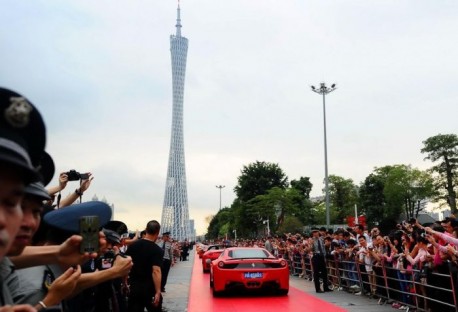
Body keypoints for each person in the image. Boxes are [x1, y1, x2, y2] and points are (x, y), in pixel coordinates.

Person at [125, 221, 163, 312]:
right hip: (150, 288)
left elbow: (126, 266)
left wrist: (125, 281)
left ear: (146, 230)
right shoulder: (157, 250)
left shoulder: (132, 246)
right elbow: (156, 271)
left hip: (134, 287)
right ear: (158, 232)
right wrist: (158, 291)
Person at [310, 228, 332, 293]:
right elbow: (310, 249)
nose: (315, 233)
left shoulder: (321, 239)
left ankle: (326, 287)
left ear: (318, 232)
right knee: (316, 273)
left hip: (322, 256)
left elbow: (323, 248)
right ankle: (318, 288)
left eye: (316, 232)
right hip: (316, 256)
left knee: (324, 272)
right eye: (314, 232)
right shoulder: (312, 240)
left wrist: (324, 256)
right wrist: (311, 244)